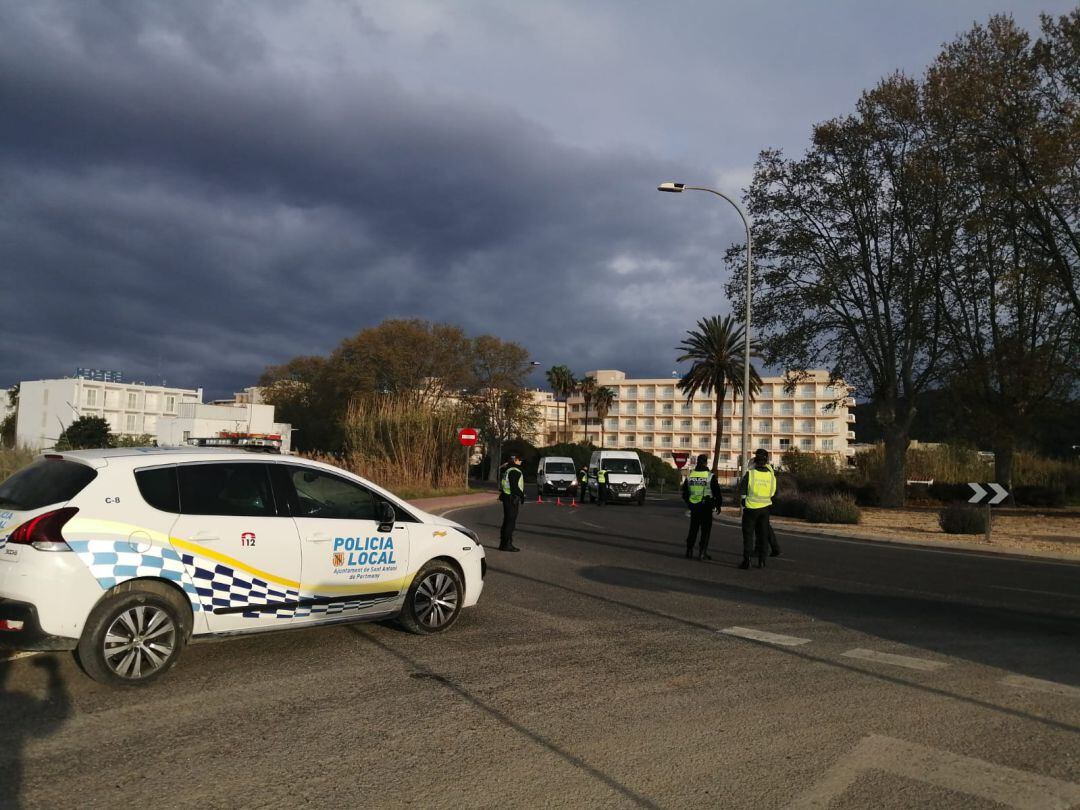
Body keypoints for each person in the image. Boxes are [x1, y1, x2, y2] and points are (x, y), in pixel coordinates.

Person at [738, 448, 777, 569]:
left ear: (755, 460)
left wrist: (744, 501)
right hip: (765, 509)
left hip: (750, 509)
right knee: (763, 535)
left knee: (748, 535)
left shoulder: (751, 474)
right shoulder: (771, 475)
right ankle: (762, 561)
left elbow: (742, 490)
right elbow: (773, 492)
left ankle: (747, 560)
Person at [681, 454, 722, 560]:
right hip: (706, 507)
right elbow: (717, 492)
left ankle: (689, 551)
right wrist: (718, 505)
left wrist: (689, 503)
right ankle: (702, 552)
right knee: (705, 531)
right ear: (705, 462)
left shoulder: (690, 475)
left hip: (694, 507)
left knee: (693, 529)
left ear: (697, 462)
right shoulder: (709, 476)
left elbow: (684, 493)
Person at [499, 454, 526, 551]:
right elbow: (515, 487)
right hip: (512, 499)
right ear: (515, 461)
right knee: (510, 523)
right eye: (519, 460)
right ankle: (507, 545)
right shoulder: (515, 471)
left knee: (506, 522)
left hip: (507, 497)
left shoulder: (508, 470)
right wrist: (522, 496)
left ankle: (503, 544)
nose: (521, 461)